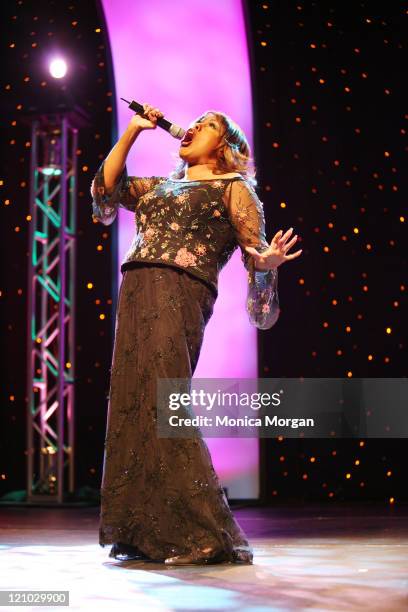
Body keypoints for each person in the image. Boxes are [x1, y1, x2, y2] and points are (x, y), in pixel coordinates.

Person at [90, 103, 302, 566]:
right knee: (133, 404)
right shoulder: (161, 187)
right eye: (196, 123)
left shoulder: (235, 188)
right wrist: (132, 131)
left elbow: (255, 253)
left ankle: (204, 534)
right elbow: (106, 191)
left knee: (165, 403)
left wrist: (267, 262)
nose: (193, 129)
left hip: (179, 291)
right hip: (137, 288)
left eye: (208, 126)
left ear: (225, 145)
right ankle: (143, 531)